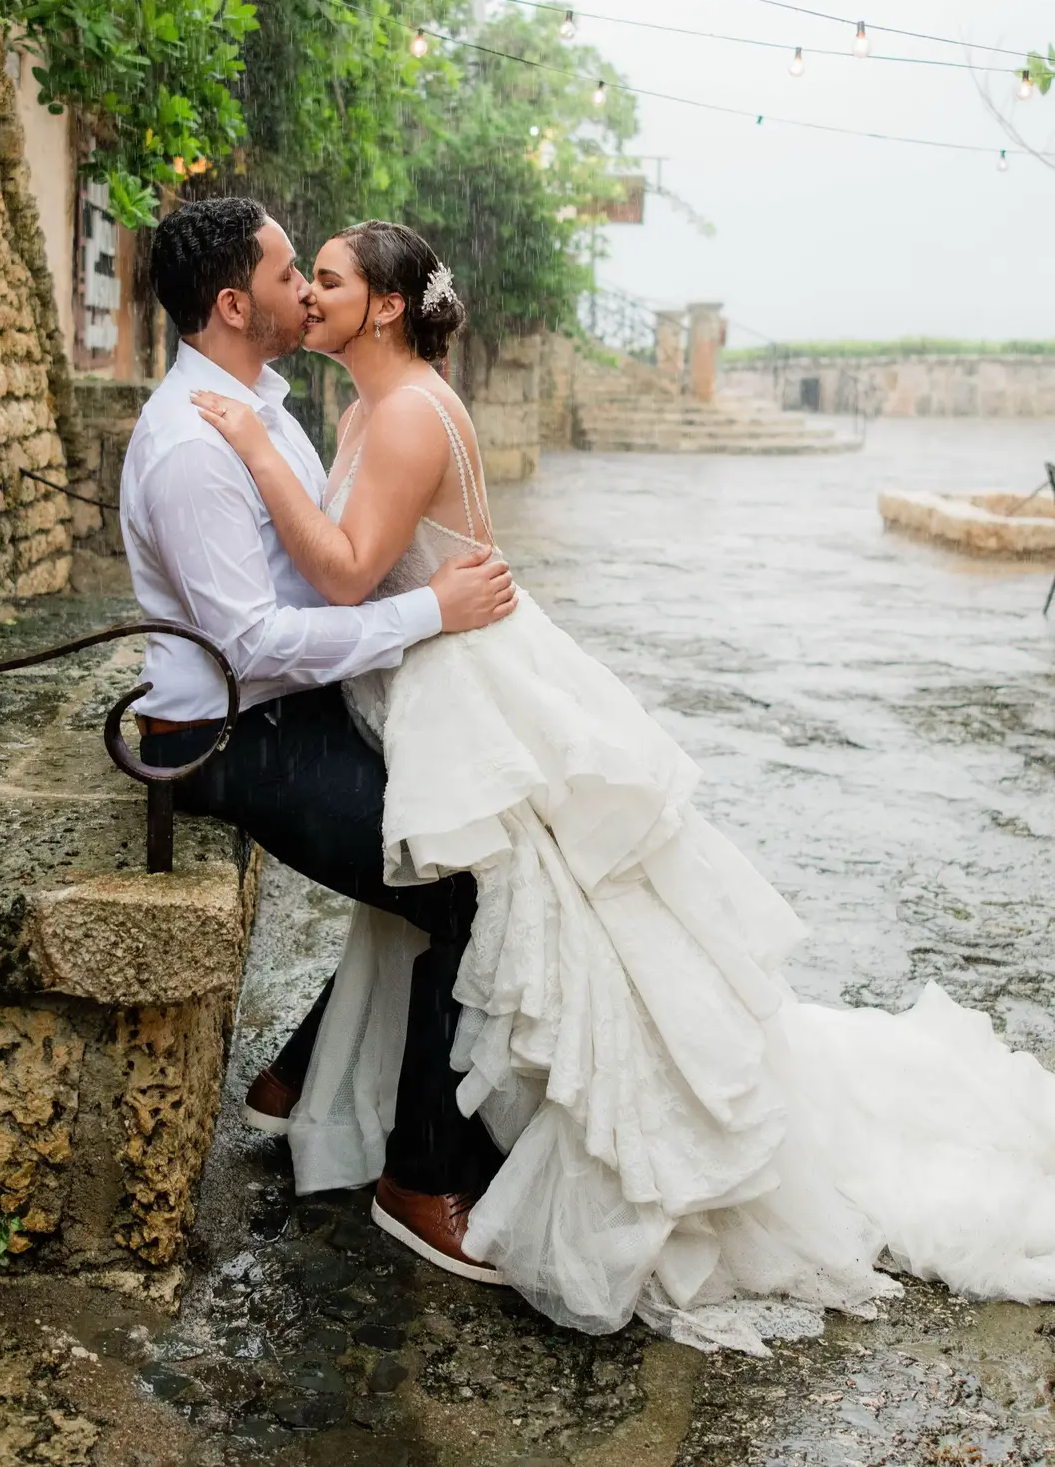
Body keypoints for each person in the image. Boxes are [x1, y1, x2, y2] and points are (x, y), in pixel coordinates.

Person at [194, 216, 1055, 1355]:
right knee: (439, 878)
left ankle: (412, 1146)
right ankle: (321, 1081)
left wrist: (256, 456)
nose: (311, 297)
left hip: (467, 681)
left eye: (333, 282)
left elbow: (351, 571)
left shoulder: (406, 415)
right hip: (422, 674)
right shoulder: (363, 406)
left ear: (386, 308)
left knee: (510, 892)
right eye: (306, 281)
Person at [119, 198, 516, 1282]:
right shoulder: (196, 443)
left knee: (467, 831)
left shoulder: (263, 402)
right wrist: (430, 611)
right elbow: (253, 640)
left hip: (290, 706)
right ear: (237, 303)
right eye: (292, 272)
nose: (307, 289)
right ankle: (421, 1173)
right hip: (228, 738)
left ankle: (295, 1078)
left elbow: (324, 557)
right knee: (464, 885)